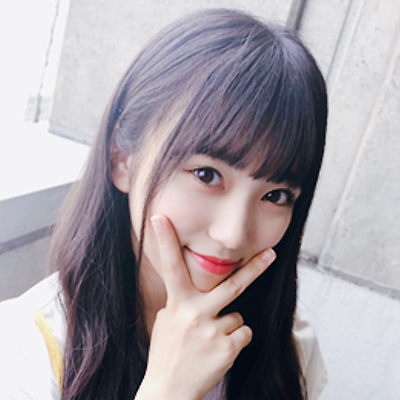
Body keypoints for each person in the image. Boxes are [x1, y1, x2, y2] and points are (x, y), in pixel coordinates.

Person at [0, 8, 328, 400]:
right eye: (206, 174)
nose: (233, 234)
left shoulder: (290, 345)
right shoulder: (24, 354)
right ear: (122, 159)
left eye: (276, 196)